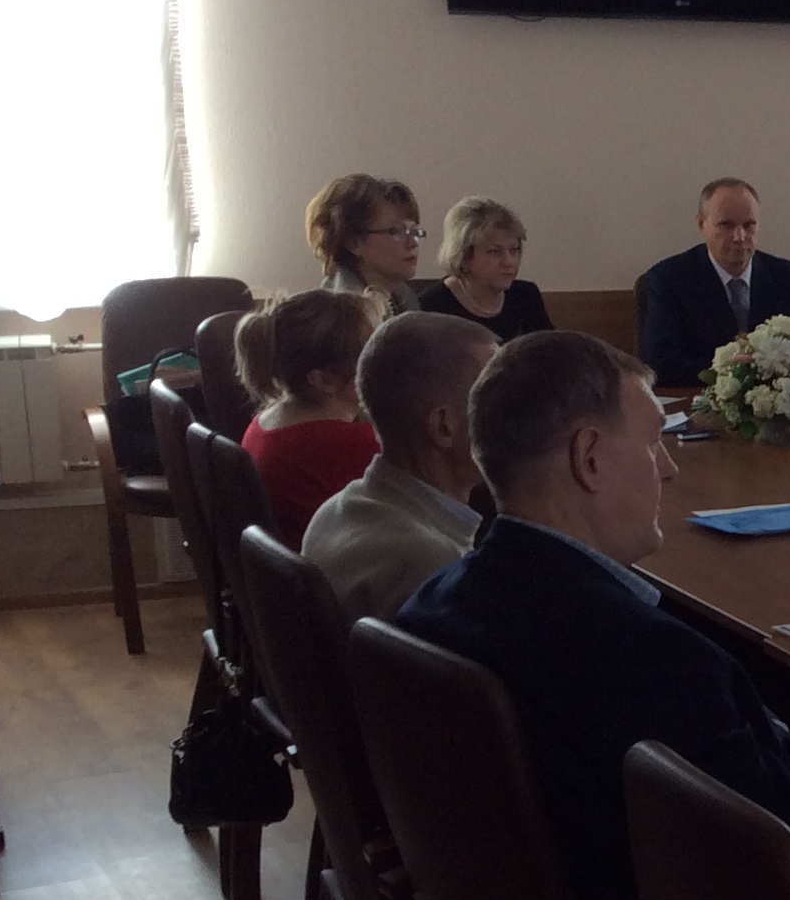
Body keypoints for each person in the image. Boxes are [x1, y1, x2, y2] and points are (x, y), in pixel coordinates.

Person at [397, 332, 790, 900]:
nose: (668, 466)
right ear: (588, 458)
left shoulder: (431, 606)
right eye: (653, 441)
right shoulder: (653, 664)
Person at [301, 312, 496, 619]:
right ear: (444, 426)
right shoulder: (434, 563)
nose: (514, 420)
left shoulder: (334, 510)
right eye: (497, 404)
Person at [636, 177, 790, 389]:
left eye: (749, 225)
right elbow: (660, 365)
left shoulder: (789, 278)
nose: (739, 236)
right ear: (701, 224)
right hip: (700, 400)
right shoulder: (668, 280)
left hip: (778, 401)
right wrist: (742, 372)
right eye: (726, 225)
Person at [233, 291, 380, 547]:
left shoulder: (263, 422)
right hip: (337, 567)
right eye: (370, 357)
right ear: (323, 380)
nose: (381, 364)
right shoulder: (350, 443)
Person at [416, 196, 554, 342]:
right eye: (494, 251)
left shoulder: (526, 296)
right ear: (463, 256)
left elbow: (550, 352)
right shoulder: (430, 307)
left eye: (514, 250)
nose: (509, 262)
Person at [308, 173, 426, 318]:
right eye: (395, 231)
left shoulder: (404, 297)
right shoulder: (339, 316)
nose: (412, 242)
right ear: (353, 243)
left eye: (414, 230)